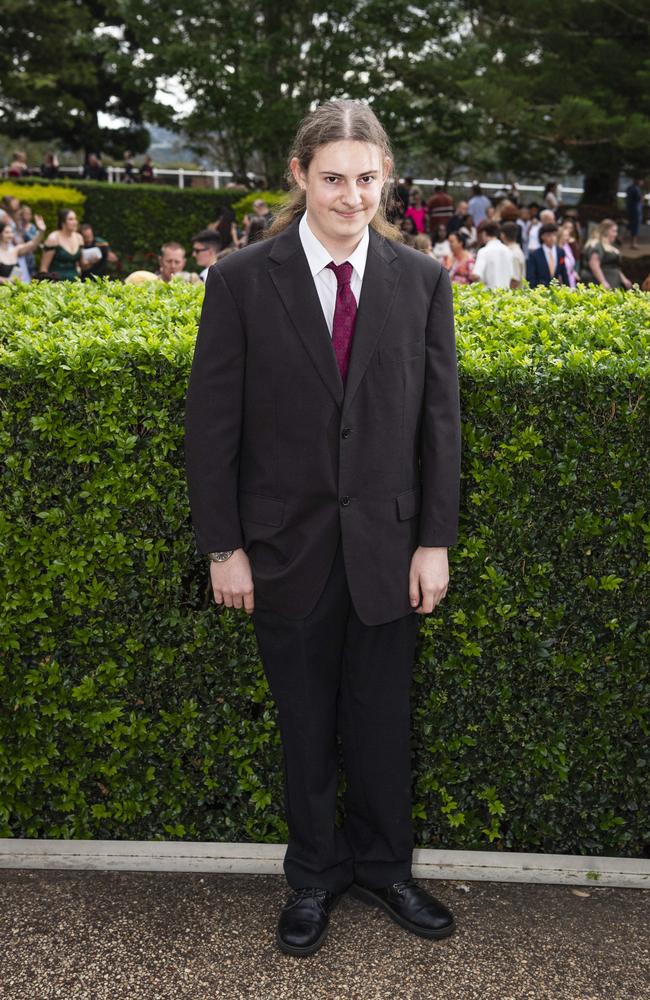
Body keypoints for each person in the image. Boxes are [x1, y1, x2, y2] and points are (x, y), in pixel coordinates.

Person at [184, 98, 461, 958]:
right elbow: (212, 426)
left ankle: (385, 869)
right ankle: (313, 876)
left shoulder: (423, 282)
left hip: (389, 546)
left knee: (382, 721)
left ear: (388, 180)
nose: (353, 196)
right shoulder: (239, 278)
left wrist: (434, 541)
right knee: (305, 723)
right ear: (300, 175)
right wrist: (223, 549)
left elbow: (439, 425)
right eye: (335, 178)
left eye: (368, 179)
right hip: (279, 551)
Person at [40, 209, 93, 281]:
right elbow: (44, 267)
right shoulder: (53, 238)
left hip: (74, 282)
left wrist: (91, 261)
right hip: (56, 282)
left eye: (75, 219)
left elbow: (82, 265)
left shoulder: (79, 238)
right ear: (63, 222)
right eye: (71, 219)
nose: (75, 222)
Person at [580, 219, 632, 290]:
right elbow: (594, 265)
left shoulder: (609, 246)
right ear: (606, 231)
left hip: (613, 282)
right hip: (598, 282)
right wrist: (603, 282)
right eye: (613, 231)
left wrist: (624, 279)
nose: (616, 234)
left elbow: (614, 266)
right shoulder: (596, 244)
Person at [0, 214, 46, 284]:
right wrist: (8, 281)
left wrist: (41, 231)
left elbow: (32, 244)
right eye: (7, 232)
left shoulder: (15, 250)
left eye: (12, 232)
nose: (10, 235)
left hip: (15, 291)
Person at [526, 223, 570, 288]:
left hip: (556, 290)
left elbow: (564, 272)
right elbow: (531, 276)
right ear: (542, 237)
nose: (552, 237)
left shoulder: (560, 252)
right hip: (540, 290)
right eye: (549, 235)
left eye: (554, 235)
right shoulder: (535, 254)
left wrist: (567, 288)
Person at [471, 221, 513, 289]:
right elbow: (512, 276)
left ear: (484, 233)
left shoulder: (483, 251)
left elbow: (476, 275)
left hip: (488, 296)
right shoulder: (508, 251)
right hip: (506, 295)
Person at [501, 222, 526, 288]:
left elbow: (514, 280)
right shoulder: (515, 251)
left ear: (502, 235)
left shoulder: (514, 253)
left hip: (513, 296)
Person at [558, 220, 580, 288]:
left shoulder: (567, 246)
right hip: (561, 280)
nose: (567, 238)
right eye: (565, 236)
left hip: (570, 278)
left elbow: (572, 260)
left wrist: (574, 272)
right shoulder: (557, 249)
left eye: (568, 236)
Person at [625, 178, 643, 250]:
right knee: (635, 226)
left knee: (629, 225)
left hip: (630, 209)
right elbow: (639, 198)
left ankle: (621, 240)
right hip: (636, 210)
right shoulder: (636, 189)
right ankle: (633, 243)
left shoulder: (629, 188)